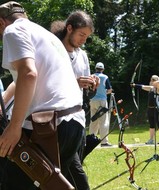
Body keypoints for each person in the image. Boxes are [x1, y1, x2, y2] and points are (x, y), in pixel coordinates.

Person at [0, 1, 86, 189]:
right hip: (74, 122)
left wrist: (14, 127)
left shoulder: (12, 31)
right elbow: (25, 78)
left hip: (50, 126)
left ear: (1, 22)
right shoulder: (46, 35)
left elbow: (28, 74)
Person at [51, 10, 99, 190]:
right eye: (81, 35)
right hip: (59, 122)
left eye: (86, 37)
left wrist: (92, 83)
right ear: (69, 28)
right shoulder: (53, 50)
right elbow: (46, 84)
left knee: (65, 175)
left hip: (78, 121)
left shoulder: (82, 55)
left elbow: (84, 91)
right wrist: (75, 81)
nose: (83, 40)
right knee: (75, 178)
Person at [131, 75, 159, 145]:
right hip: (150, 109)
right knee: (151, 125)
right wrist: (134, 85)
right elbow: (143, 86)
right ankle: (151, 139)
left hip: (157, 109)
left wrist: (154, 82)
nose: (151, 81)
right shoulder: (151, 89)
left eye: (153, 80)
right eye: (151, 80)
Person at [89, 62, 113, 147]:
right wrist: (104, 93)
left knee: (93, 120)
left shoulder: (91, 76)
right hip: (102, 101)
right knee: (103, 121)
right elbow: (109, 90)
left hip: (92, 101)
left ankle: (91, 140)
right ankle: (104, 142)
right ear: (102, 69)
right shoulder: (105, 77)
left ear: (95, 68)